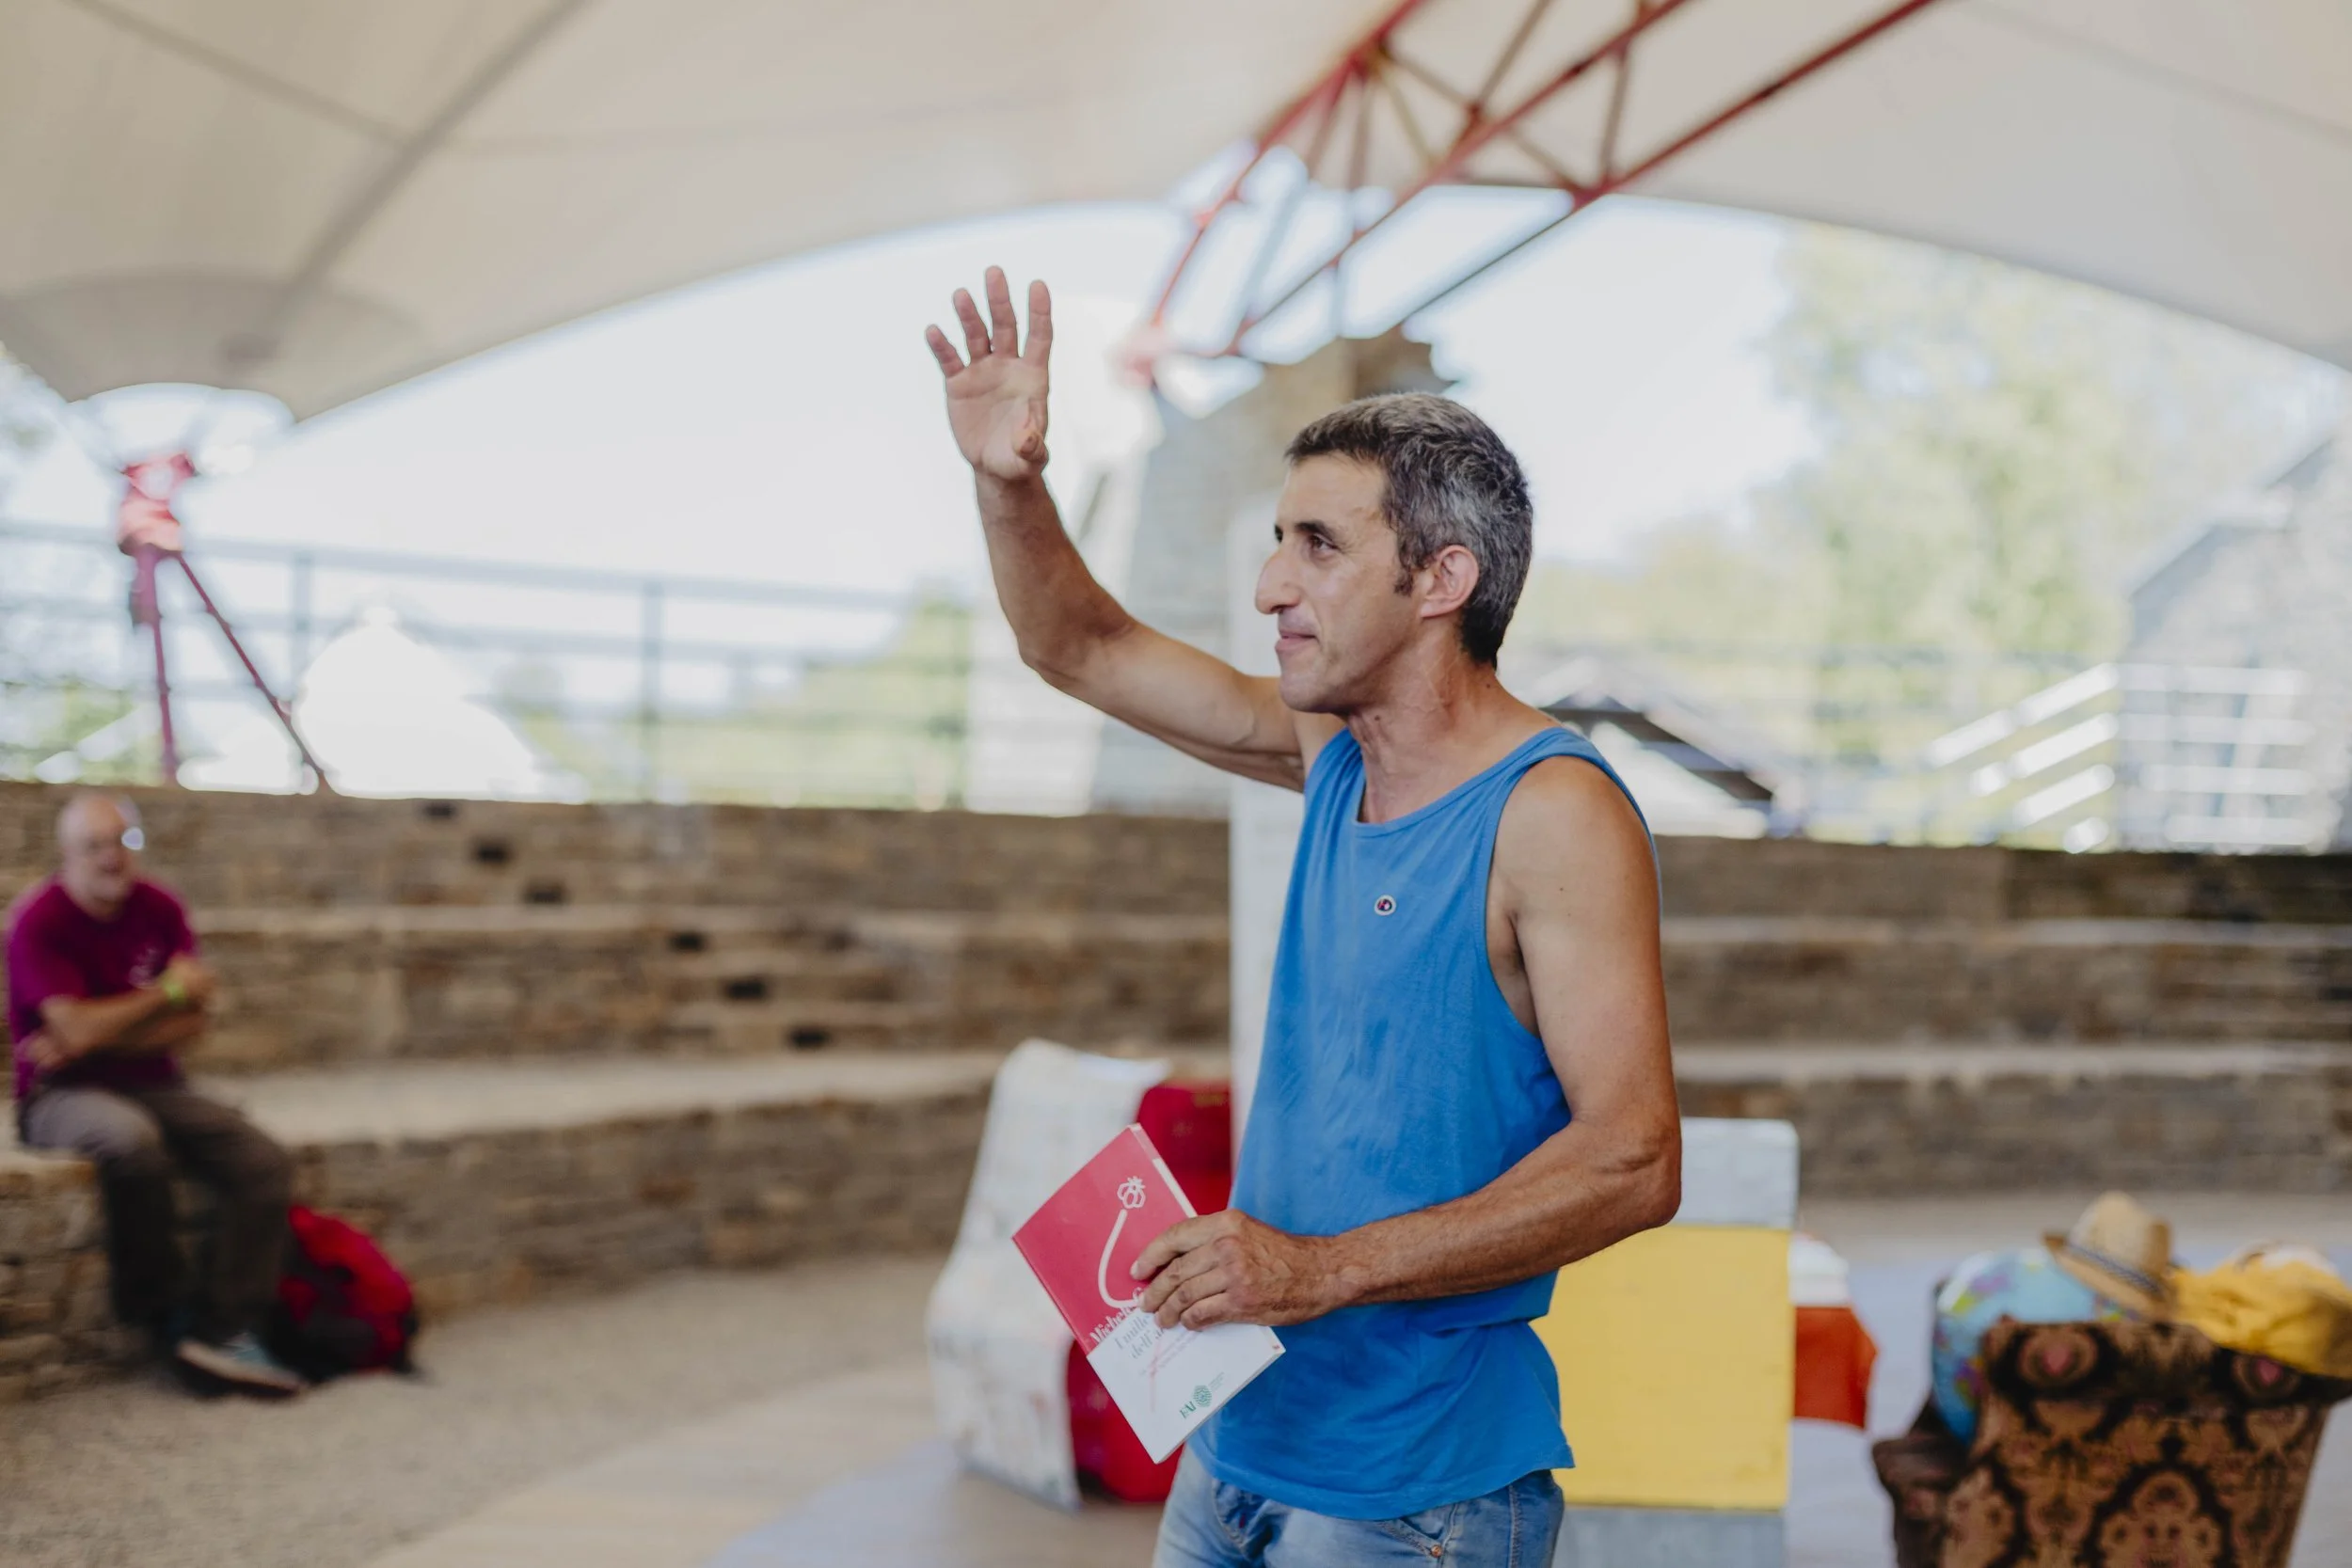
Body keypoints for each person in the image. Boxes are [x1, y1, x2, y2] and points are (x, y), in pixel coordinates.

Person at [926, 271, 1681, 1565]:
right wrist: (1010, 481)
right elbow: (1081, 648)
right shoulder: (1333, 748)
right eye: (1281, 539)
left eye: (1319, 546)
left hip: (1416, 1491)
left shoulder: (1551, 811)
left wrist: (1317, 1269)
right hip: (1236, 1442)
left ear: (1442, 578)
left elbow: (1634, 1160)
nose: (1273, 582)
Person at [6, 792, 304, 1395]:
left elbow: (193, 1023)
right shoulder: (38, 921)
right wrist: (163, 994)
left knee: (262, 1159)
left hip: (156, 1082)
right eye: (94, 846)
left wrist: (92, 1032)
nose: (111, 857)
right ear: (66, 854)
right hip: (61, 1092)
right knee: (131, 1142)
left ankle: (226, 1328)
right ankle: (165, 1315)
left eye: (123, 841)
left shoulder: (161, 905)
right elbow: (99, 1025)